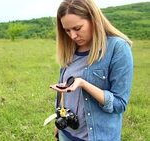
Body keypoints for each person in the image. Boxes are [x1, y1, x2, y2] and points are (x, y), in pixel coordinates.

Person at [49, 0, 134, 140]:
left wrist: (84, 84)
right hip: (67, 134)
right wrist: (59, 122)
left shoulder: (118, 48)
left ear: (94, 19)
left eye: (77, 28)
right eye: (67, 30)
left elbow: (119, 104)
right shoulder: (70, 49)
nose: (72, 36)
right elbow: (65, 96)